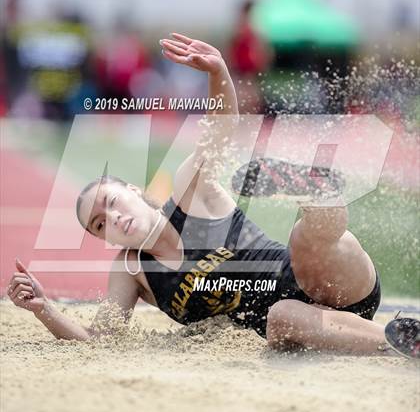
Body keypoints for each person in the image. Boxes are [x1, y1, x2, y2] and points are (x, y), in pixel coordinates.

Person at [6, 33, 420, 359]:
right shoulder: (131, 270)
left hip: (335, 279)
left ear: (133, 191)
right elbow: (99, 338)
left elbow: (220, 131)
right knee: (278, 318)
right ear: (107, 240)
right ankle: (400, 339)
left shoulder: (189, 193)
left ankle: (313, 191)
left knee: (304, 242)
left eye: (111, 203)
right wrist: (44, 308)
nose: (112, 219)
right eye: (100, 224)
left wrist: (218, 73)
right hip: (306, 324)